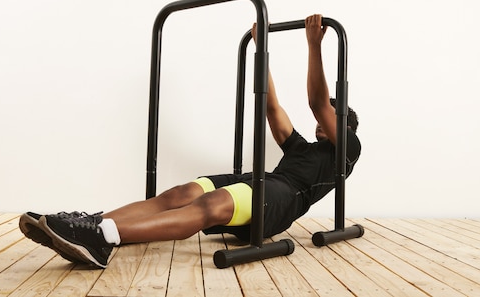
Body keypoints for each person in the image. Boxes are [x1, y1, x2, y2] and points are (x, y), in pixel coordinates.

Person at [19, 14, 362, 268]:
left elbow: (318, 103)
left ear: (344, 127)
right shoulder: (301, 147)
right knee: (179, 194)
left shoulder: (347, 153)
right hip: (263, 182)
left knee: (208, 207)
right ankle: (88, 225)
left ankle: (104, 237)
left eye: (332, 117)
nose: (322, 119)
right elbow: (272, 109)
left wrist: (313, 45)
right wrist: (262, 50)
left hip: (282, 201)